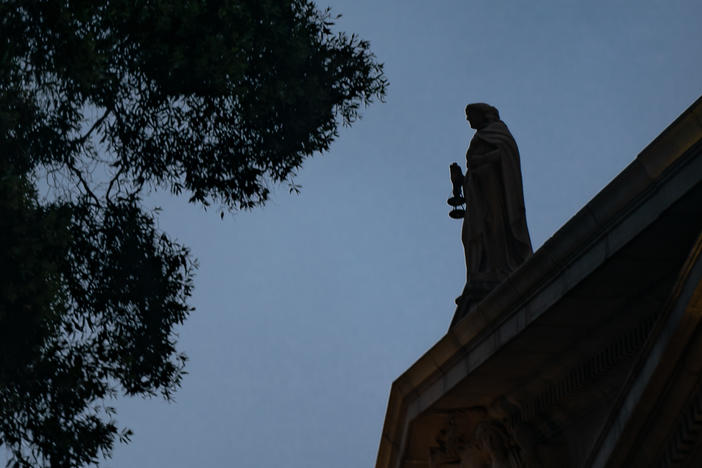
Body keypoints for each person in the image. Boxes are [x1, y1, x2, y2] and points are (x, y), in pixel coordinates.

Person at [454, 103, 532, 314]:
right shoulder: (479, 138)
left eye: (471, 116)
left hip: (496, 198)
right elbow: (477, 171)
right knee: (471, 235)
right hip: (479, 199)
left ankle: (497, 268)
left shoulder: (499, 134)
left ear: (482, 114)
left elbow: (503, 158)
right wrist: (463, 181)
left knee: (493, 227)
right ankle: (481, 270)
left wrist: (479, 161)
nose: (468, 121)